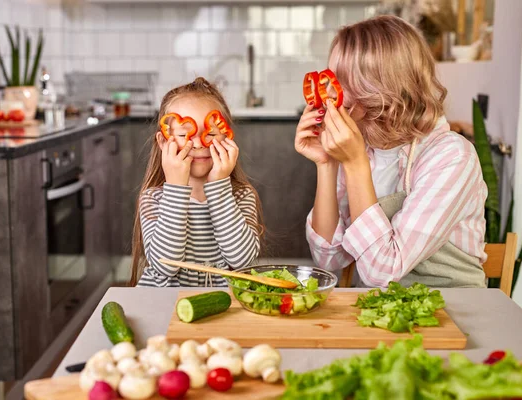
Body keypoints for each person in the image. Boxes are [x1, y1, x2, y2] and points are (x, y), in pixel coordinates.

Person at [295, 15, 488, 288]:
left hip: (452, 309)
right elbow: (329, 258)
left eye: (338, 82)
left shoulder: (451, 157)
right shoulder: (361, 146)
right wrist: (327, 164)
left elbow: (382, 273)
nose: (326, 94)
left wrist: (355, 165)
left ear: (378, 89)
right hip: (379, 311)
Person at [131, 77, 264, 287]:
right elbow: (166, 265)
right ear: (163, 141)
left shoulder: (241, 196)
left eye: (211, 133)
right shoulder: (153, 199)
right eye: (184, 134)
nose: (199, 143)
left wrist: (219, 186)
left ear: (227, 137)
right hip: (163, 303)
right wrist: (175, 186)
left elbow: (242, 260)